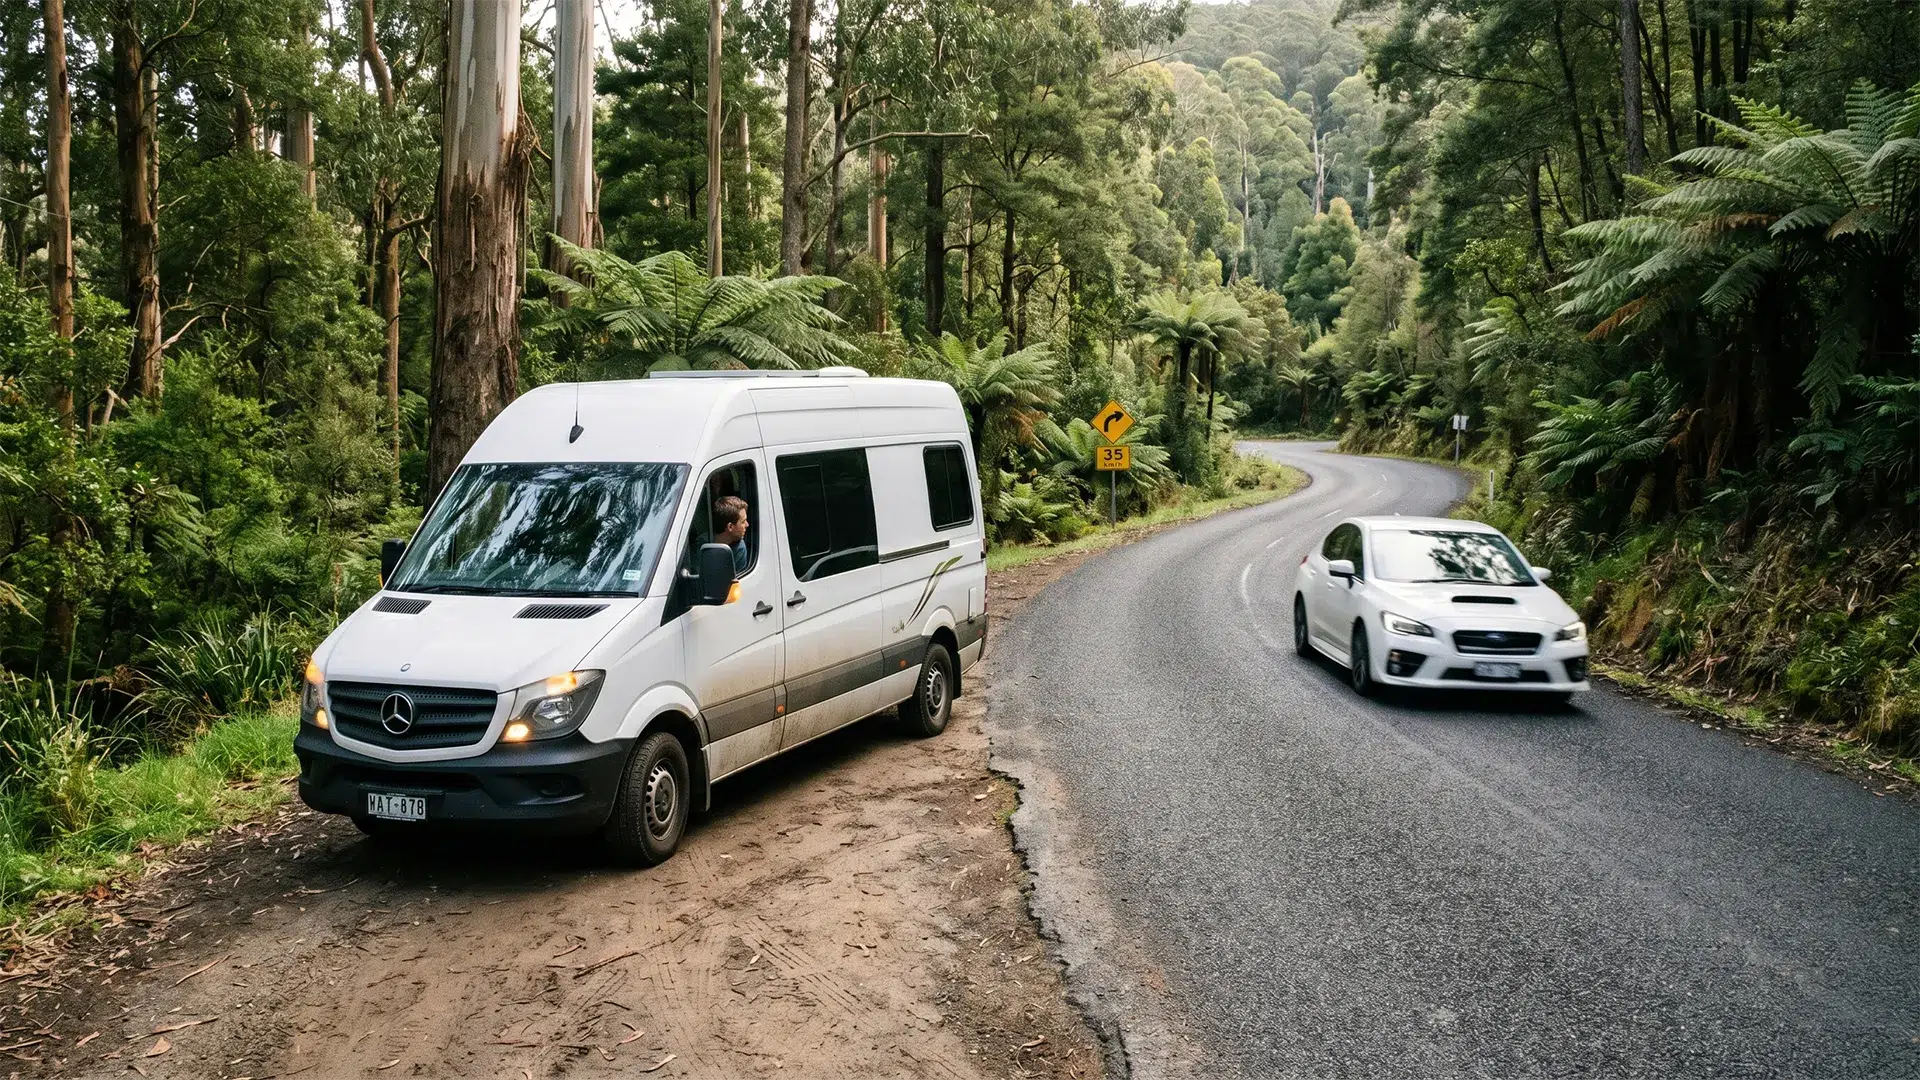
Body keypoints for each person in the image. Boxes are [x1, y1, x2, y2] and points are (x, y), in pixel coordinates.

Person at [714, 495, 750, 575]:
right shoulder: (701, 542)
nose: (747, 525)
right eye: (743, 522)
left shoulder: (739, 548)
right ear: (730, 526)